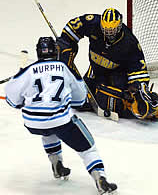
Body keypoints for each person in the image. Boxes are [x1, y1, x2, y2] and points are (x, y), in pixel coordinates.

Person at [5, 37, 117, 194]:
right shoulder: (64, 68)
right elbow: (80, 98)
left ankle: (57, 164)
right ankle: (100, 178)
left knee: (48, 128)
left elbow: (13, 101)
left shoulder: (28, 71)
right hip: (60, 121)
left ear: (38, 52)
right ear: (56, 51)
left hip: (33, 124)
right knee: (88, 148)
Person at [57, 8, 158, 121]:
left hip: (117, 75)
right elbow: (72, 27)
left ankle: (157, 101)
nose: (109, 34)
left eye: (112, 30)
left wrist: (139, 91)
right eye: (106, 30)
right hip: (95, 71)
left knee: (117, 101)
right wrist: (65, 43)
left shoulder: (129, 42)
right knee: (78, 100)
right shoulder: (93, 23)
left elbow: (139, 71)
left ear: (119, 26)